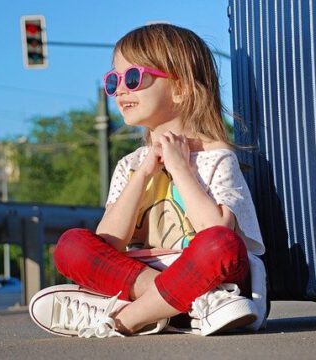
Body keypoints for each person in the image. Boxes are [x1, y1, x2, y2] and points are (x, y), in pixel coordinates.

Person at [29, 23, 267, 338]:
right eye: (113, 80)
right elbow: (110, 241)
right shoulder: (130, 165)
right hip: (189, 295)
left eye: (133, 78)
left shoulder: (215, 157)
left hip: (218, 284)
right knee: (71, 245)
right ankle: (170, 306)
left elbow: (218, 233)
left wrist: (180, 169)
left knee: (220, 246)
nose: (119, 90)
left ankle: (122, 319)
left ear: (180, 89)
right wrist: (141, 175)